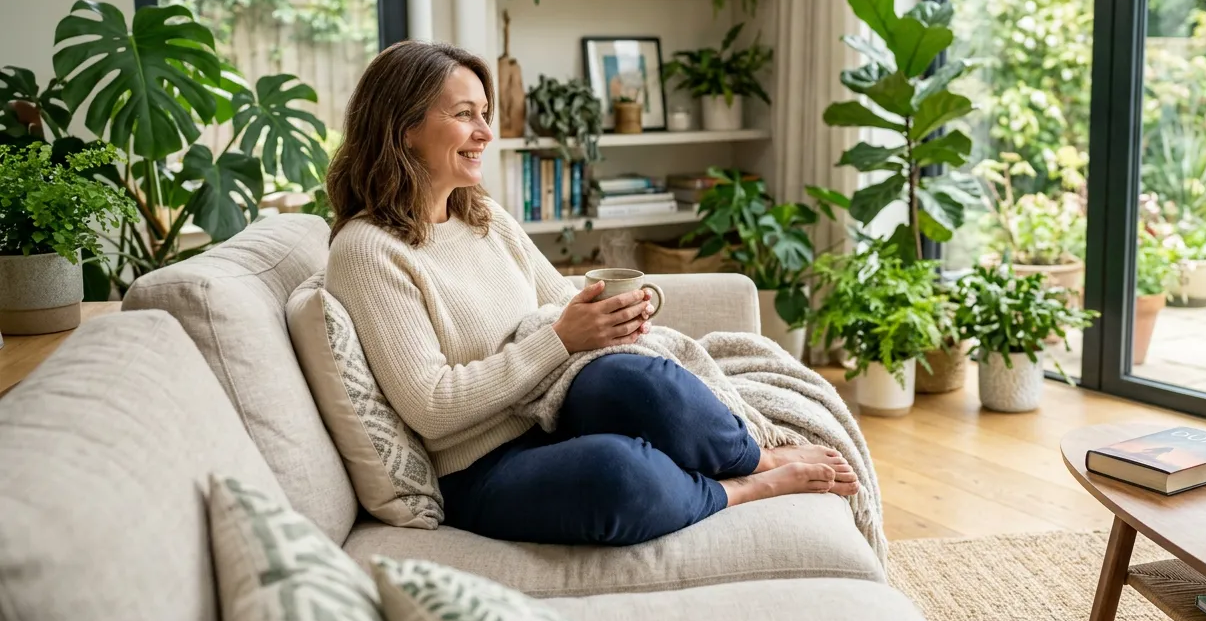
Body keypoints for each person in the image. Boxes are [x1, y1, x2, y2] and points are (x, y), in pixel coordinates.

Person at [324, 40, 858, 546]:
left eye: (486, 114)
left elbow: (559, 298)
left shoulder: (481, 216)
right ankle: (742, 487)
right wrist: (559, 339)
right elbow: (432, 406)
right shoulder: (368, 250)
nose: (486, 132)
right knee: (619, 473)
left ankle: (756, 457)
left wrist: (621, 308)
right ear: (404, 128)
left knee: (636, 379)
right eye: (464, 115)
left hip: (549, 412)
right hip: (479, 467)